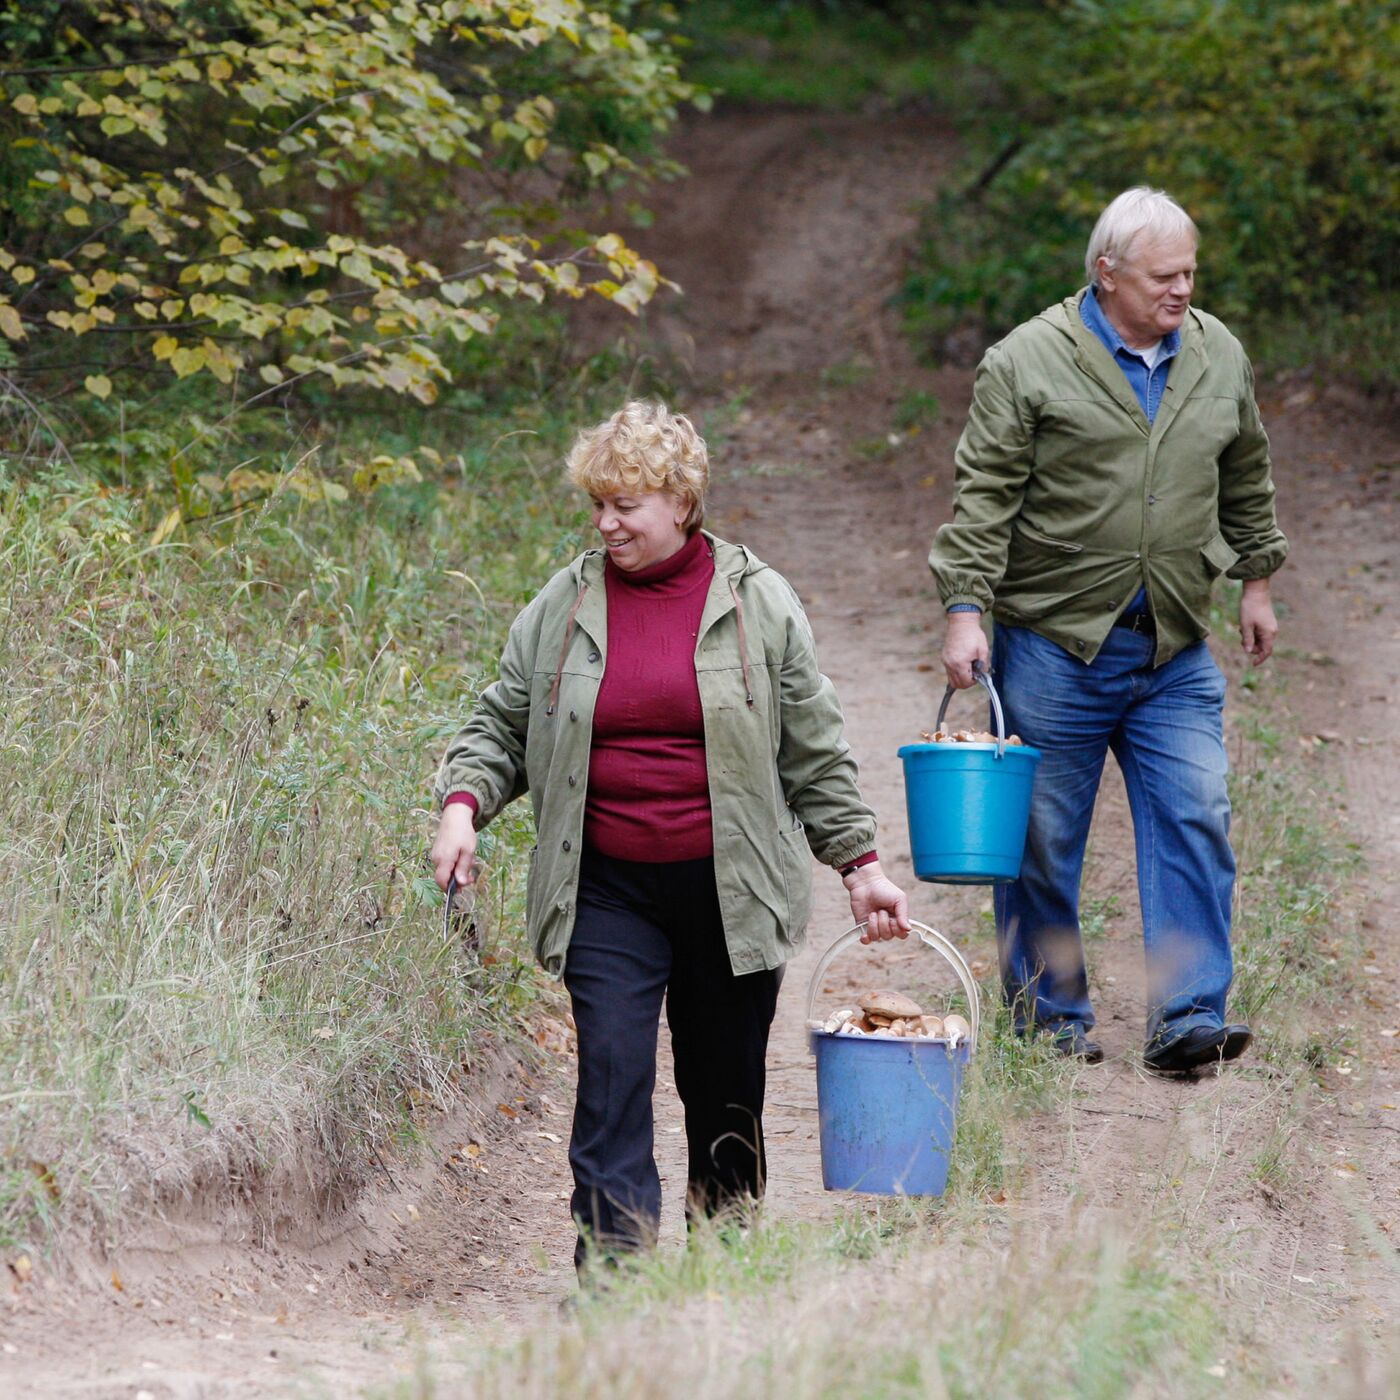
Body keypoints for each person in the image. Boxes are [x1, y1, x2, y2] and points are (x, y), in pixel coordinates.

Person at [431, 401, 910, 1269]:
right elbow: (502, 722)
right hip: (606, 885)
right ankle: (616, 1286)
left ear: (682, 502)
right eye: (597, 505)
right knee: (611, 1079)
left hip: (730, 890)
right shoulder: (566, 604)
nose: (606, 523)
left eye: (626, 505)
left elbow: (814, 746)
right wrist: (463, 806)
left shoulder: (758, 604)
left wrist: (860, 864)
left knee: (724, 1095)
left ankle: (724, 1271)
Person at [929, 187, 1288, 1074]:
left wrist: (1257, 580)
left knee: (1196, 814)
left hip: (1172, 644)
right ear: (1107, 272)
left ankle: (1188, 1016)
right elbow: (984, 497)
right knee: (1043, 839)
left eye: (1190, 273)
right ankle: (1050, 1019)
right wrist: (966, 608)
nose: (1180, 290)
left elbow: (1246, 469)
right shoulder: (1029, 361)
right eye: (1164, 275)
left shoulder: (1216, 354)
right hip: (1055, 643)